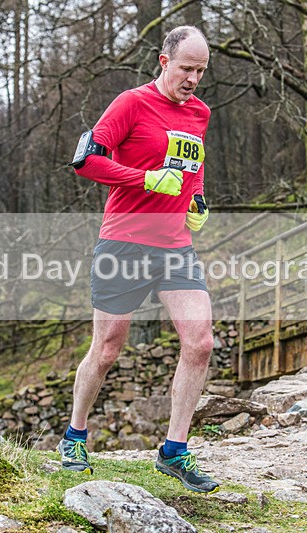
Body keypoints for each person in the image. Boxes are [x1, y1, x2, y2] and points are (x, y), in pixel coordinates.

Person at [57, 25, 219, 494]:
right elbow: (86, 161)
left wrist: (198, 202)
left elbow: (194, 168)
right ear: (164, 61)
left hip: (175, 247)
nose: (193, 79)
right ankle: (74, 436)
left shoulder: (200, 113)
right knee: (107, 349)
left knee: (201, 342)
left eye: (201, 71)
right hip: (124, 243)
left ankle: (174, 451)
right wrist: (145, 180)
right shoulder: (131, 103)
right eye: (186, 68)